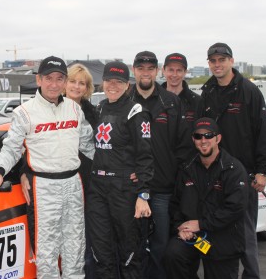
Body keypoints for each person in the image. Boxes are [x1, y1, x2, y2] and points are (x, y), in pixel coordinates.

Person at [0, 56, 95, 278]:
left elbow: (89, 146)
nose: (54, 84)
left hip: (74, 184)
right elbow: (12, 148)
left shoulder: (74, 109)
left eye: (59, 79)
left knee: (75, 248)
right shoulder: (24, 112)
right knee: (47, 254)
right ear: (39, 80)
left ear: (65, 81)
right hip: (44, 187)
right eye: (49, 78)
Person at [200, 43, 266, 279]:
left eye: (222, 60)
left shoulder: (249, 92)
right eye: (213, 61)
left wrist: (262, 171)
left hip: (243, 175)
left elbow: (263, 133)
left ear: (231, 61)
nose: (217, 64)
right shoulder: (208, 92)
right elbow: (200, 132)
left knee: (245, 236)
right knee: (215, 234)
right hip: (212, 174)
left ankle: (252, 276)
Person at [20, 63, 97, 278]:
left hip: (85, 186)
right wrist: (23, 173)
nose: (76, 86)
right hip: (47, 188)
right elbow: (20, 147)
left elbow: (99, 149)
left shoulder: (92, 112)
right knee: (49, 252)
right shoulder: (34, 113)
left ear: (87, 87)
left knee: (80, 246)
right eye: (73, 81)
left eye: (82, 83)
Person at [128, 51, 193, 279]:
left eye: (150, 69)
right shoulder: (124, 101)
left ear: (157, 71)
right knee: (133, 243)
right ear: (134, 70)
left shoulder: (171, 102)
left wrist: (172, 173)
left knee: (160, 245)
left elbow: (184, 146)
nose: (145, 73)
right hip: (133, 189)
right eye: (141, 68)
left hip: (163, 189)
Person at [87, 61, 153, 279]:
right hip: (98, 188)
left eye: (119, 82)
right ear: (102, 82)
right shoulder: (100, 107)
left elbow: (146, 157)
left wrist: (143, 193)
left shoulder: (136, 111)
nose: (112, 86)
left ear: (128, 85)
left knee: (129, 252)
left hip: (124, 189)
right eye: (108, 81)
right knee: (101, 251)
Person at [164, 117, 249, 279]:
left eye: (209, 135)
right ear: (193, 140)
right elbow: (175, 203)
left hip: (222, 239)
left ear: (218, 138)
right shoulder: (187, 168)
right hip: (196, 238)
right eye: (198, 136)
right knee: (173, 255)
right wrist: (180, 227)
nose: (203, 141)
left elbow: (235, 208)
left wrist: (201, 224)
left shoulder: (233, 169)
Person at [161, 53, 203, 129]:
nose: (174, 74)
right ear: (163, 71)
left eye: (179, 70)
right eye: (171, 70)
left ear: (185, 72)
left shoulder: (197, 102)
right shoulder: (155, 99)